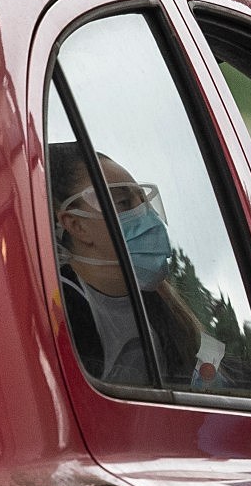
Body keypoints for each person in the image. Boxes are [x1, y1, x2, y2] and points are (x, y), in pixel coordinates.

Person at [48, 142, 202, 387]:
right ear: (76, 225)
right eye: (123, 203)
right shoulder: (62, 313)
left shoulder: (158, 307)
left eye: (143, 201)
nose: (146, 215)